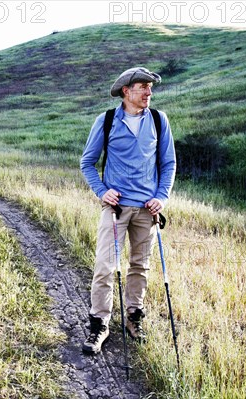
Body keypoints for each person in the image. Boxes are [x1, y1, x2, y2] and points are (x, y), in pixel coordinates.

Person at [79, 67, 176, 354]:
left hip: (147, 209)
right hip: (115, 209)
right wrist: (102, 191)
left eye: (150, 87)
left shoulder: (159, 120)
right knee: (105, 267)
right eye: (143, 87)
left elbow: (168, 163)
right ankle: (99, 325)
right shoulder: (107, 120)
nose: (149, 92)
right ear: (126, 91)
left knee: (140, 267)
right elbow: (87, 163)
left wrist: (162, 197)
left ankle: (134, 318)